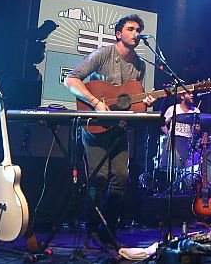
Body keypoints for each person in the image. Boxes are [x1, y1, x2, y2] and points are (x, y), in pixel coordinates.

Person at [64, 14, 155, 250]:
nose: (136, 34)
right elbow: (71, 79)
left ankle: (108, 231)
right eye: (131, 29)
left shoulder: (140, 64)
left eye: (139, 30)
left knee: (121, 180)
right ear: (118, 33)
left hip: (118, 129)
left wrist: (144, 102)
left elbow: (131, 99)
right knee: (100, 178)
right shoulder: (104, 54)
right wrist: (95, 102)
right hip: (95, 126)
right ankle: (91, 229)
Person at [161, 91, 200, 169]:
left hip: (188, 143)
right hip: (174, 142)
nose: (192, 95)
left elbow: (198, 129)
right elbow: (162, 123)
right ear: (182, 96)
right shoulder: (173, 108)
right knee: (173, 167)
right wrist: (168, 133)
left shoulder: (196, 111)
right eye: (189, 93)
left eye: (192, 93)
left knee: (187, 169)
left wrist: (196, 128)